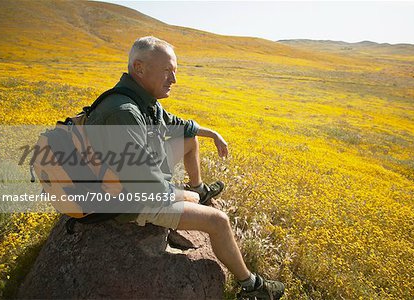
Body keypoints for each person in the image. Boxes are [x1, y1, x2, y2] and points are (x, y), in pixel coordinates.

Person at [86, 36, 285, 299]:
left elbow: (176, 124)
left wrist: (211, 133)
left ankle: (198, 187)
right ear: (139, 68)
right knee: (218, 221)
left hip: (139, 180)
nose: (174, 79)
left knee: (189, 141)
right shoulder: (123, 113)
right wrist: (188, 198)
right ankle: (252, 286)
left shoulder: (141, 99)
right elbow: (149, 190)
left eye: (175, 72)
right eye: (167, 71)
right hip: (129, 201)